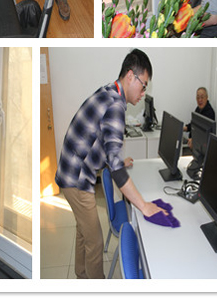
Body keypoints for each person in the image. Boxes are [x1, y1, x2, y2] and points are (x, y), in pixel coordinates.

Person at [55, 49, 166, 279]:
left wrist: (117, 159)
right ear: (130, 76)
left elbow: (99, 138)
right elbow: (116, 170)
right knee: (95, 241)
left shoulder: (109, 90)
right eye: (143, 86)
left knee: (83, 229)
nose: (143, 93)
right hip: (76, 177)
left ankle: (82, 274)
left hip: (70, 169)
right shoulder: (116, 106)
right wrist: (144, 206)